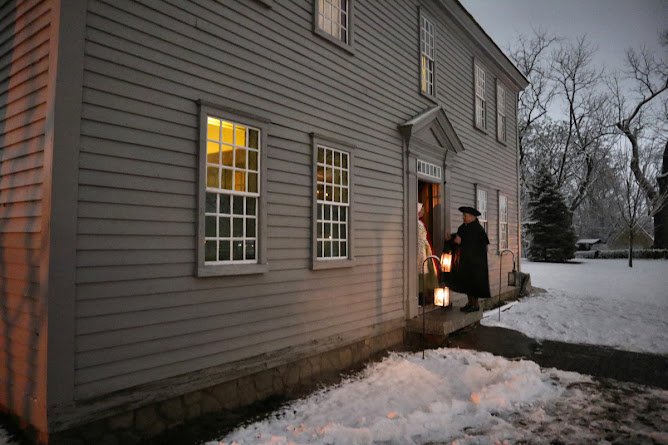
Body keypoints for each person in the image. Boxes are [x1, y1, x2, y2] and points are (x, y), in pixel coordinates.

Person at [444, 206, 491, 312]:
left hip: (476, 262)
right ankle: (470, 303)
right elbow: (458, 242)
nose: (463, 217)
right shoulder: (463, 227)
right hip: (466, 261)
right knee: (467, 283)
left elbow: (477, 245)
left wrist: (462, 242)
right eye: (463, 215)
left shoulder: (477, 229)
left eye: (465, 216)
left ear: (472, 217)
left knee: (474, 283)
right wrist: (451, 240)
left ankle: (475, 304)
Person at [418, 202, 439, 306]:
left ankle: (426, 297)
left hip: (425, 250)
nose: (423, 212)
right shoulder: (417, 223)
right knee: (421, 273)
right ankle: (420, 298)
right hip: (420, 252)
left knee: (427, 273)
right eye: (422, 209)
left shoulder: (421, 223)